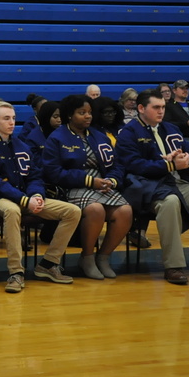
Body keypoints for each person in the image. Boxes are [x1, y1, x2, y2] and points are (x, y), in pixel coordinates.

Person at [0, 101, 81, 293]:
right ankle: (16, 272)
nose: (12, 122)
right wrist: (25, 200)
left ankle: (48, 264)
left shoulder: (21, 145)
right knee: (13, 210)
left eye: (14, 118)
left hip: (26, 196)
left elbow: (34, 175)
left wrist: (37, 195)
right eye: (6, 118)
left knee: (72, 211)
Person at [116, 88, 189, 284]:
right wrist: (167, 164)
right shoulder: (128, 133)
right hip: (148, 186)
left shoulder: (171, 129)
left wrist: (186, 159)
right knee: (170, 202)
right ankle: (173, 266)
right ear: (141, 108)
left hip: (179, 182)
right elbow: (134, 166)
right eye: (156, 107)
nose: (161, 111)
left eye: (163, 107)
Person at [43, 94, 132, 279]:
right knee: (95, 210)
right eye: (81, 112)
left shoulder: (99, 135)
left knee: (125, 211)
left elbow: (117, 165)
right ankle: (87, 257)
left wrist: (113, 181)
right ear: (69, 115)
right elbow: (53, 172)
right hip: (73, 186)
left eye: (90, 112)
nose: (87, 116)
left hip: (103, 184)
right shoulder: (57, 137)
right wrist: (89, 181)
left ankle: (104, 257)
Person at [23, 100, 60, 166]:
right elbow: (35, 163)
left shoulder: (64, 133)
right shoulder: (33, 138)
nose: (59, 120)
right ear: (46, 116)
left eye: (61, 116)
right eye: (55, 117)